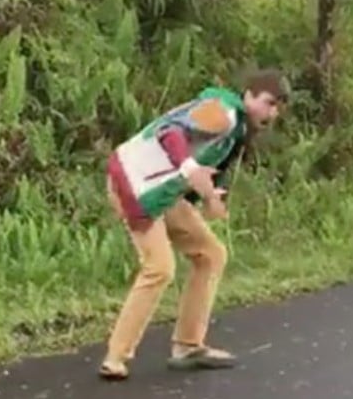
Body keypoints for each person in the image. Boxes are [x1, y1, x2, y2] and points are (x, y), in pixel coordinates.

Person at [98, 69, 289, 380]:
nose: (272, 112)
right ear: (249, 95)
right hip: (133, 186)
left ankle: (188, 345)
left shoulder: (237, 128)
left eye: (278, 106)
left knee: (211, 254)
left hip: (162, 191)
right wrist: (190, 170)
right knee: (159, 267)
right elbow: (170, 132)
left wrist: (212, 196)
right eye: (269, 102)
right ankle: (115, 357)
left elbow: (209, 165)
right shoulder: (223, 113)